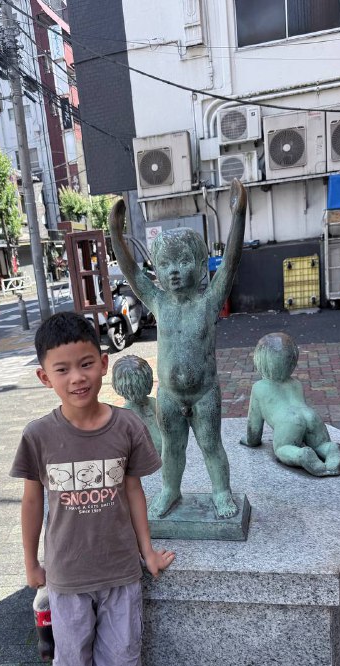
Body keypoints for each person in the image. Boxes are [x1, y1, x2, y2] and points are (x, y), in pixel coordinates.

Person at [10, 311, 175, 666]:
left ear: (104, 364)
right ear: (44, 377)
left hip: (120, 572)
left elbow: (135, 491)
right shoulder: (39, 436)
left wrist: (147, 552)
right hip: (66, 576)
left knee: (121, 664)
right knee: (73, 660)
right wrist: (31, 564)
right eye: (62, 369)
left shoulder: (126, 426)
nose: (76, 377)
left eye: (85, 364)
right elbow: (32, 502)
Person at [108, 179, 247, 519]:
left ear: (200, 266)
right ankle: (170, 489)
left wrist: (238, 215)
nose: (174, 271)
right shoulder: (158, 301)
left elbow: (230, 264)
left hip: (204, 393)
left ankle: (221, 491)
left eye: (184, 262)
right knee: (172, 448)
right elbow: (131, 272)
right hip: (169, 395)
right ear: (156, 269)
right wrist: (115, 233)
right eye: (165, 264)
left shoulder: (208, 302)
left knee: (211, 445)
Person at [240, 332, 340, 476]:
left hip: (288, 421)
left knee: (282, 448)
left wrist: (250, 441)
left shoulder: (259, 388)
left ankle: (301, 455)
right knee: (320, 444)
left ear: (260, 361)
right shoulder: (296, 384)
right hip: (310, 416)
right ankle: (332, 450)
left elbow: (254, 428)